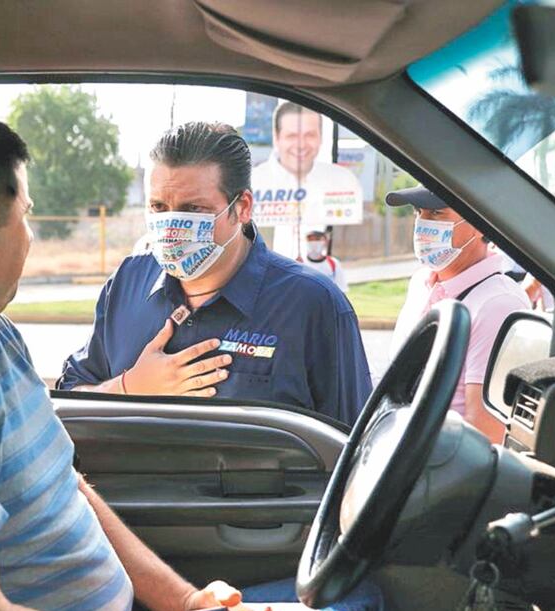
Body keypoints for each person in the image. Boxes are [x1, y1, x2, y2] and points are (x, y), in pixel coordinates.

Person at [0, 109, 404, 611]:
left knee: (362, 607)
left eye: (193, 209)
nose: (32, 237)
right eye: (27, 216)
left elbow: (71, 484)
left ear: (241, 209)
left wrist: (186, 605)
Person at [58, 121, 372, 427]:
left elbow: (354, 447)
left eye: (193, 209)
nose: (172, 225)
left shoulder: (312, 304)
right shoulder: (127, 283)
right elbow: (67, 402)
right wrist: (127, 388)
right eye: (158, 207)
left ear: (243, 207)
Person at [386, 186, 530, 443]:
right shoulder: (421, 283)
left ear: (480, 224)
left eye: (437, 213)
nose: (422, 225)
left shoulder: (497, 303)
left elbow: (484, 434)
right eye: (420, 212)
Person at [251, 102, 363, 261]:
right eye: (292, 136)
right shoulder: (254, 182)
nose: (301, 145)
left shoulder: (343, 180)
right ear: (277, 138)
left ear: (321, 138)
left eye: (309, 135)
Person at [302, 228, 349, 293]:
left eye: (317, 240)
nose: (314, 243)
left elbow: (341, 288)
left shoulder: (333, 263)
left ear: (325, 242)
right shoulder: (300, 263)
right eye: (310, 240)